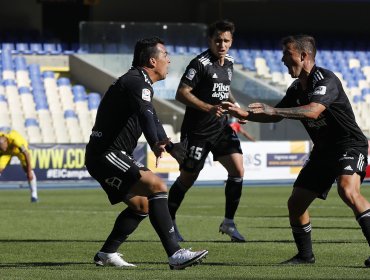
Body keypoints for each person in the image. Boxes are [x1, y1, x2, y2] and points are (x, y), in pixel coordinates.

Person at [222, 35, 370, 267]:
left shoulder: (326, 79)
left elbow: (313, 111)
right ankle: (305, 256)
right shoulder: (295, 87)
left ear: (303, 56)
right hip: (323, 151)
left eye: (286, 54)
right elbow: (276, 113)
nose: (282, 59)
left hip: (349, 145)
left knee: (347, 190)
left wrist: (272, 111)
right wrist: (245, 114)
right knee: (296, 203)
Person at [84, 37, 208, 270]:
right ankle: (175, 254)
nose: (169, 60)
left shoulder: (139, 84)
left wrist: (171, 148)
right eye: (165, 55)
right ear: (152, 60)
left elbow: (151, 117)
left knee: (142, 206)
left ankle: (107, 253)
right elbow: (145, 115)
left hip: (110, 153)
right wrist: (154, 143)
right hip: (106, 153)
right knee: (157, 186)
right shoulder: (136, 82)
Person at [167, 20, 246, 242]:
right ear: (210, 41)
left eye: (226, 41)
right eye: (218, 40)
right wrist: (209, 108)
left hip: (221, 128)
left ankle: (229, 223)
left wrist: (236, 107)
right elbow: (182, 93)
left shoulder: (229, 62)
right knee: (188, 178)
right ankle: (169, 221)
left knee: (238, 170)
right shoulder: (199, 64)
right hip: (198, 132)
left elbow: (225, 89)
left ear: (231, 42)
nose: (222, 44)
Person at [0, 129, 38, 202]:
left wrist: (29, 171)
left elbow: (26, 154)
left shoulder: (16, 140)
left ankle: (34, 195)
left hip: (18, 151)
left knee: (27, 170)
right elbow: (3, 150)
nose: (3, 149)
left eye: (3, 147)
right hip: (7, 153)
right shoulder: (3, 147)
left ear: (6, 142)